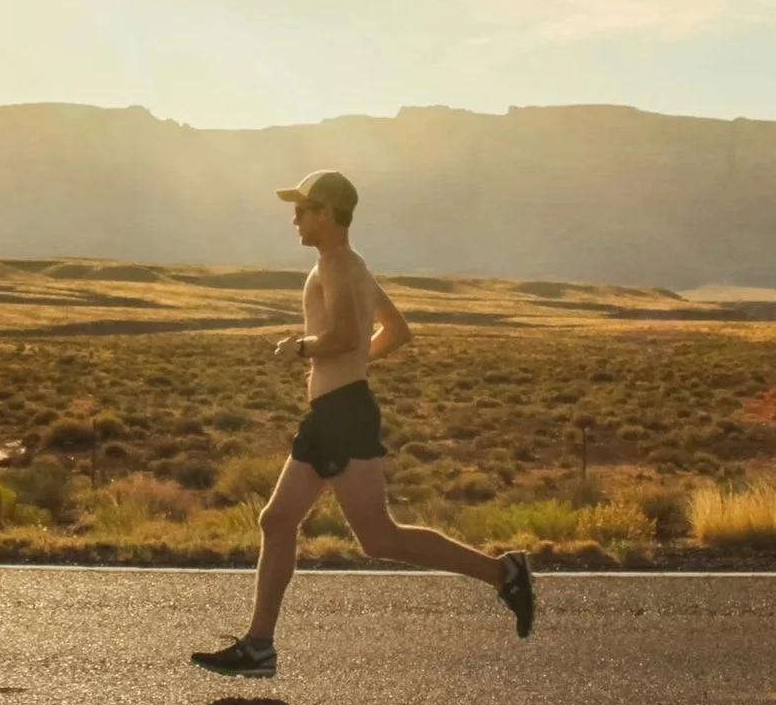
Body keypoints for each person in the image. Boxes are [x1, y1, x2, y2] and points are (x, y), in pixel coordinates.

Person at [191, 170, 536, 678]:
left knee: (378, 538)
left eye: (303, 208)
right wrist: (352, 368)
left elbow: (348, 333)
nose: (295, 217)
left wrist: (303, 348)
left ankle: (502, 572)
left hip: (344, 415)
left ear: (328, 212)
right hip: (332, 411)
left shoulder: (336, 264)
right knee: (278, 520)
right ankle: (259, 645)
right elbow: (396, 331)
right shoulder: (353, 265)